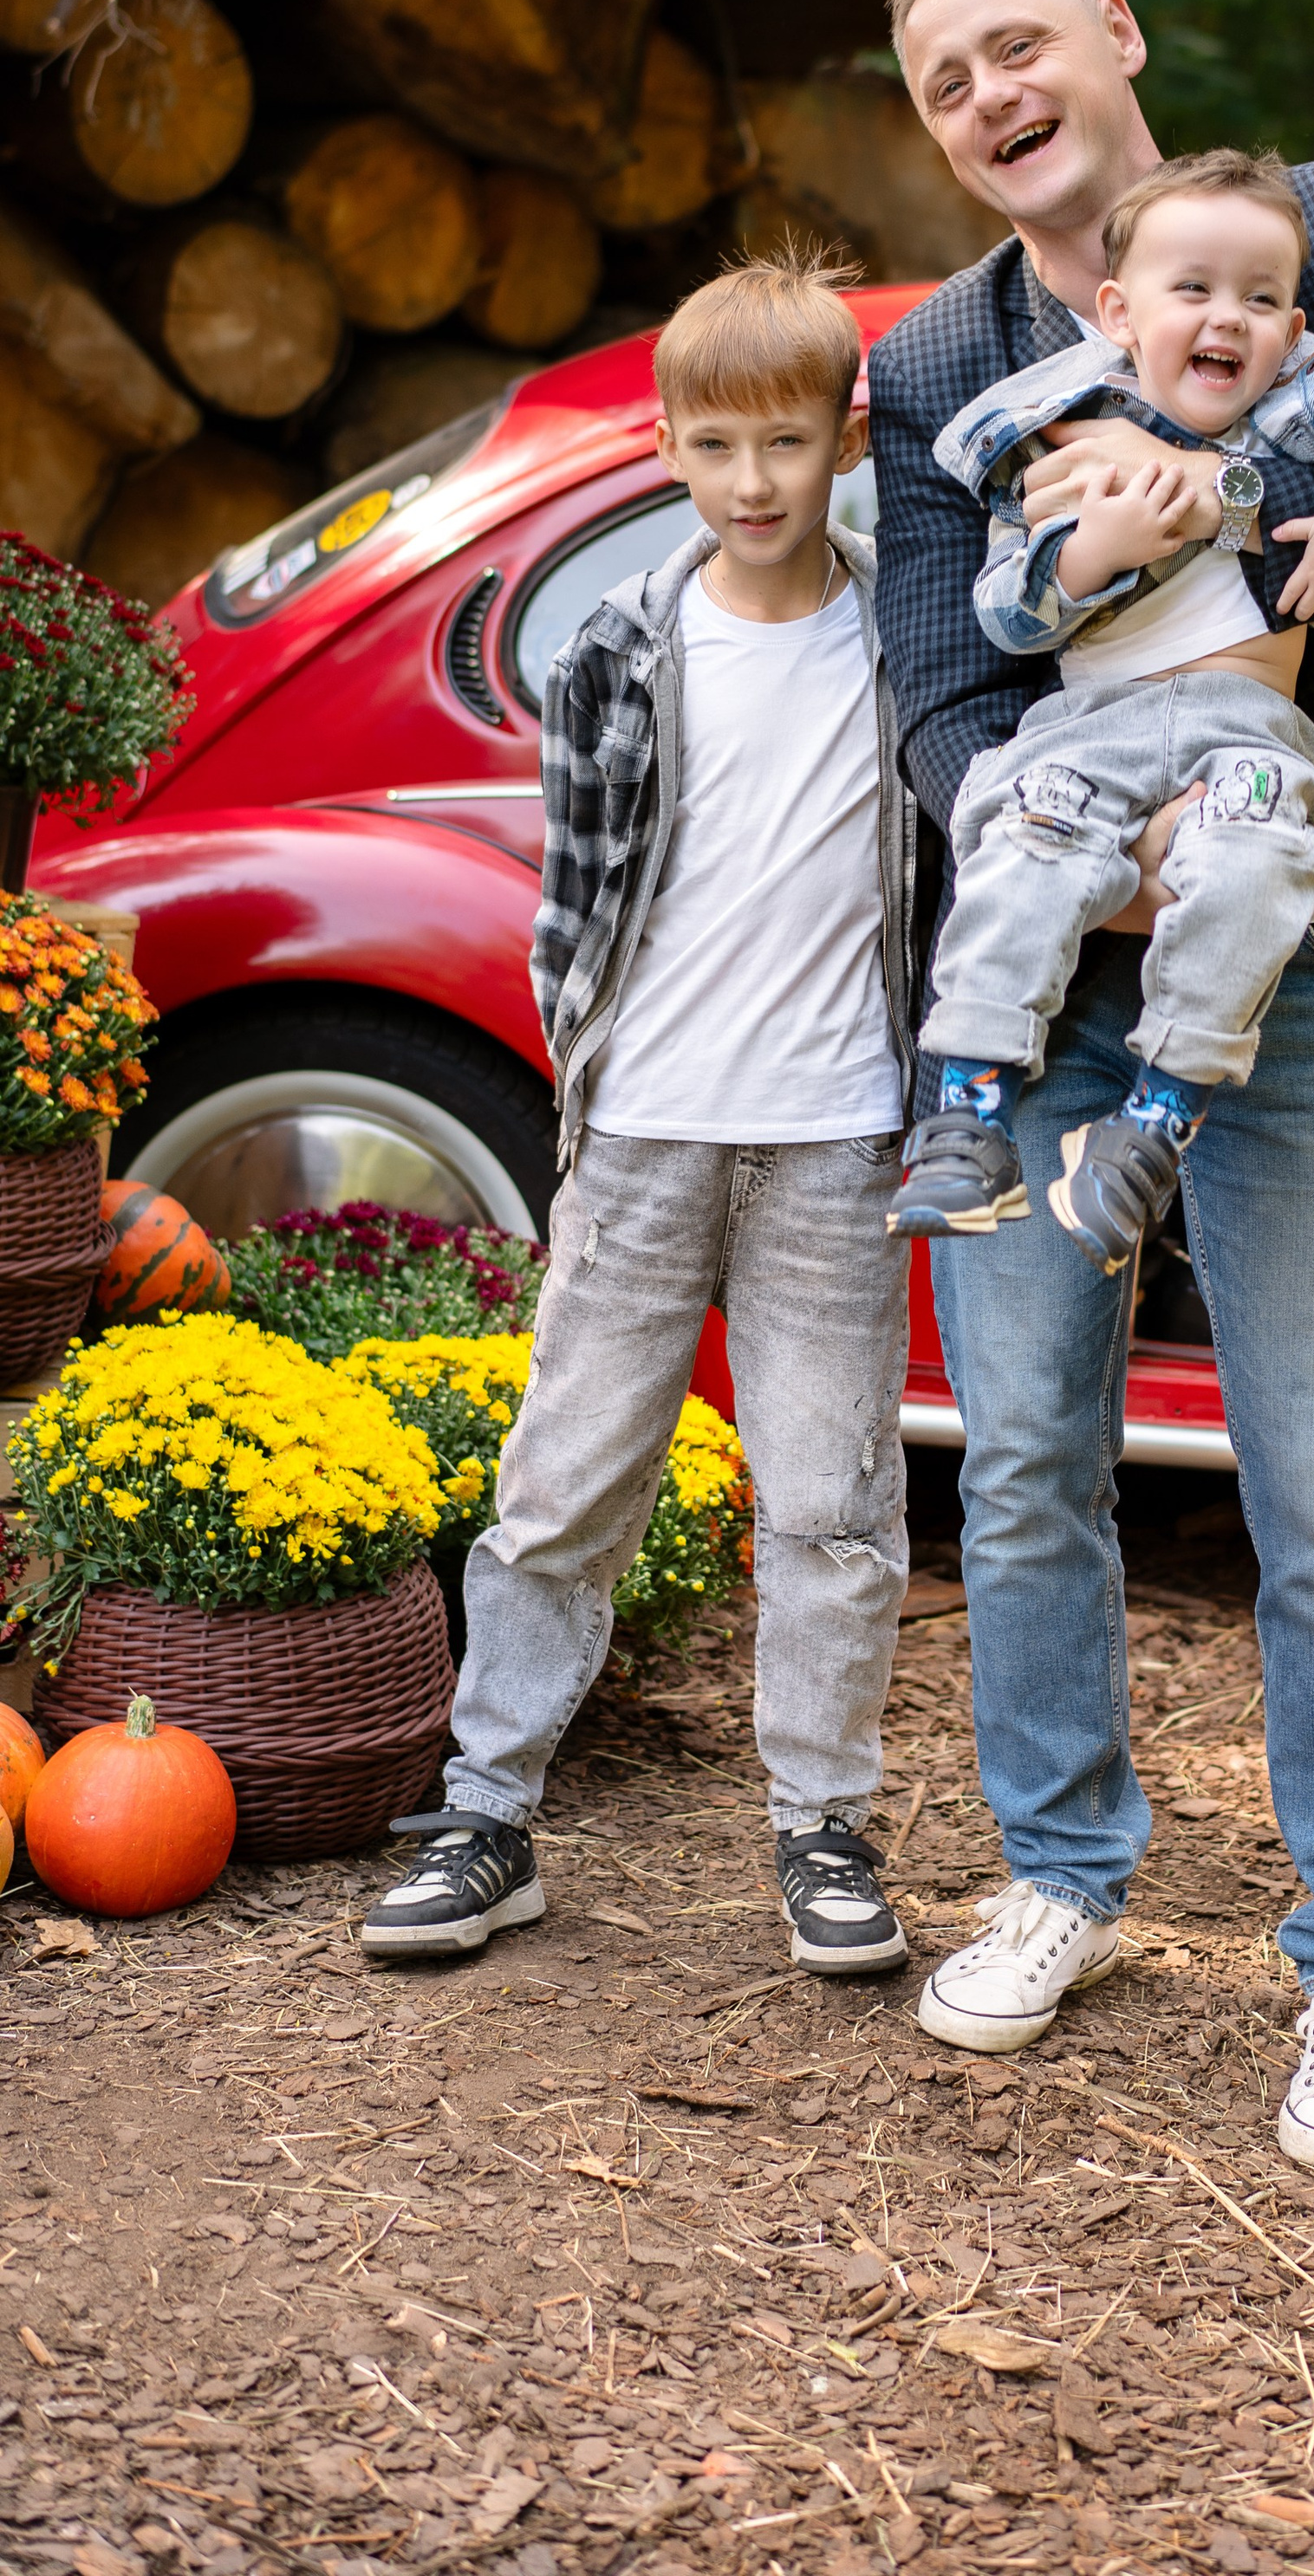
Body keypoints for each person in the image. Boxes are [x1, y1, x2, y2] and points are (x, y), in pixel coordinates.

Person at [868, 0, 1314, 2174]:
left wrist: (1234, 509)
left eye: (1022, 41)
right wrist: (1110, 854)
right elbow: (938, 704)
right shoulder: (933, 374)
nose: (993, 88)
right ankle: (1066, 1873)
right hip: (1066, 986)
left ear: (1119, 38)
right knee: (1027, 1461)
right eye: (943, 75)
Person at [361, 253, 920, 1982]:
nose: (750, 482)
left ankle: (821, 1824)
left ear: (844, 436)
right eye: (711, 446)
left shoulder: (907, 632)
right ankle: (486, 1812)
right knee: (561, 1484)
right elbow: (574, 903)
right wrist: (588, 1098)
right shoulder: (621, 643)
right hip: (647, 1132)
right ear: (667, 449)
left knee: (829, 1500)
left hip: (836, 1134)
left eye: (782, 442)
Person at [891, 145, 1314, 1278]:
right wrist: (1087, 559)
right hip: (1093, 728)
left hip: (1244, 733)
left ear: (1294, 323)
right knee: (1020, 842)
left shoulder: (1312, 409)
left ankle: (1153, 1128)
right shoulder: (1060, 430)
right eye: (1196, 293)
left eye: (1259, 299)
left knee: (1263, 858)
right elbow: (1002, 620)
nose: (1229, 320)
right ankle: (968, 1110)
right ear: (1119, 313)